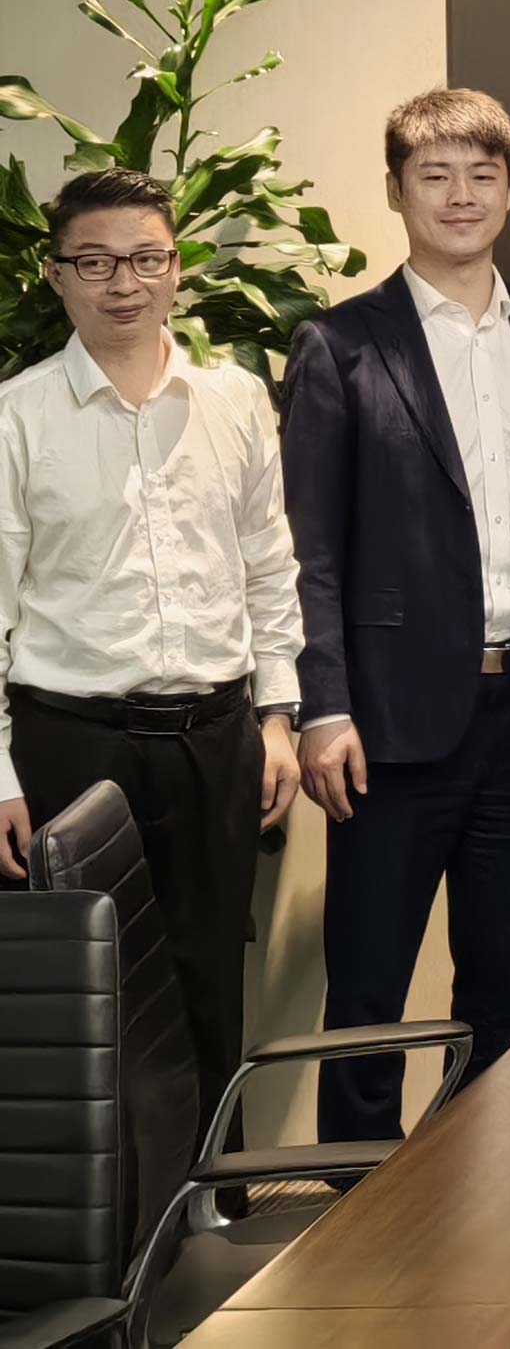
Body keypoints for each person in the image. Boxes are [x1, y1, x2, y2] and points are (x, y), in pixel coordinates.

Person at [282, 89, 510, 1140]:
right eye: (434, 176)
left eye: (482, 174)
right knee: (369, 988)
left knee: (505, 983)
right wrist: (322, 706)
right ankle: (352, 1193)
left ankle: (486, 1188)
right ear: (397, 193)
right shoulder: (341, 344)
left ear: (509, 191)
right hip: (387, 723)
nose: (461, 195)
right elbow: (309, 549)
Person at [0, 169, 304, 1163]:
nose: (122, 283)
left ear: (177, 267)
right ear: (57, 276)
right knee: (87, 996)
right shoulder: (17, 416)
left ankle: (211, 1200)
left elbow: (268, 565)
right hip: (69, 745)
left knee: (211, 978)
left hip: (213, 736)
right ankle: (110, 1227)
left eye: (143, 258)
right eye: (94, 262)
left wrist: (276, 717)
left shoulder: (234, 399)